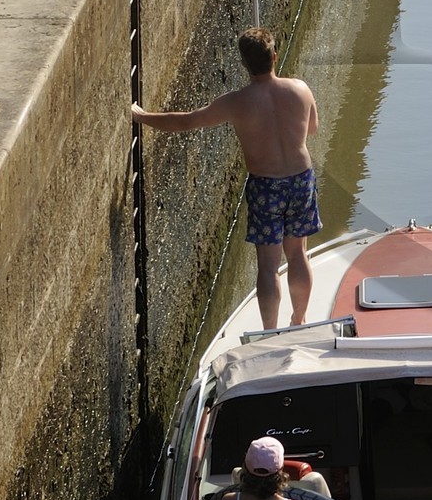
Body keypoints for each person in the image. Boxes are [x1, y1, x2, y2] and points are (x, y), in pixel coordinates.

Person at [133, 27, 321, 327]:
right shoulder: (300, 89)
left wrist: (143, 117)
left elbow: (187, 121)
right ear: (274, 56)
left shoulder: (236, 102)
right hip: (301, 178)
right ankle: (299, 319)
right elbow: (311, 127)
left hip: (265, 185)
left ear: (244, 64)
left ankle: (269, 332)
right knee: (298, 254)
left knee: (269, 266)